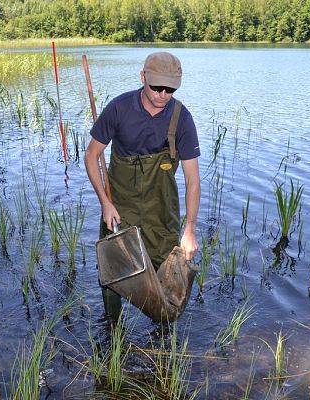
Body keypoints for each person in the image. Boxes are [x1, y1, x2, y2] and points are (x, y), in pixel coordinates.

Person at [84, 51, 201, 318]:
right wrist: (105, 203)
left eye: (169, 89)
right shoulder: (119, 108)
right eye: (156, 86)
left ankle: (162, 329)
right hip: (119, 207)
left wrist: (190, 228)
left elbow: (192, 179)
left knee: (168, 274)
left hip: (161, 210)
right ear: (142, 77)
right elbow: (91, 156)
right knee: (113, 270)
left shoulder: (181, 118)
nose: (162, 94)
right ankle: (113, 329)